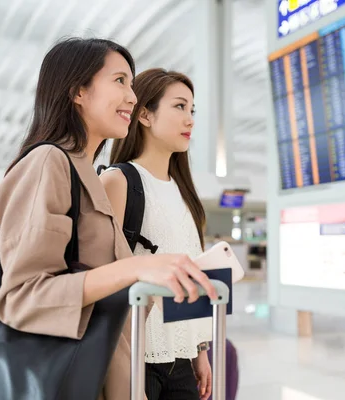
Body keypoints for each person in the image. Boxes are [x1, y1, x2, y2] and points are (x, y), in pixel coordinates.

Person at [0, 39, 217, 400]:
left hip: (114, 372)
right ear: (78, 91)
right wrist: (136, 269)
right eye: (119, 81)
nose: (131, 96)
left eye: (131, 84)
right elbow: (23, 297)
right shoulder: (48, 162)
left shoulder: (84, 172)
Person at [101, 69, 212, 400]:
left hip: (181, 358)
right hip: (135, 356)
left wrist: (200, 351)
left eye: (192, 110)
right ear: (145, 114)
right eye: (179, 107)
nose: (189, 119)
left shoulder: (184, 193)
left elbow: (188, 276)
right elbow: (103, 274)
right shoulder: (118, 181)